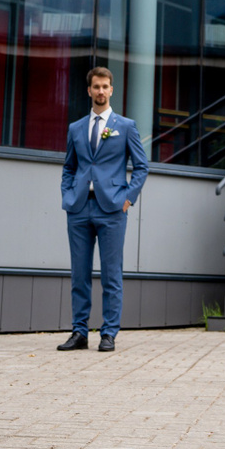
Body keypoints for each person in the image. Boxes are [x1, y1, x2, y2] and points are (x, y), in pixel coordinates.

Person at [58, 67, 147, 353]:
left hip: (112, 209)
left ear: (111, 90)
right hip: (79, 207)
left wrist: (128, 199)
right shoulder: (76, 128)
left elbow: (142, 166)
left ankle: (108, 333)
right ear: (89, 90)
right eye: (96, 86)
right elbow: (69, 167)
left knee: (111, 275)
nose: (100, 91)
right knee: (79, 275)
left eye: (105, 86)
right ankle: (79, 332)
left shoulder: (126, 126)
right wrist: (68, 195)